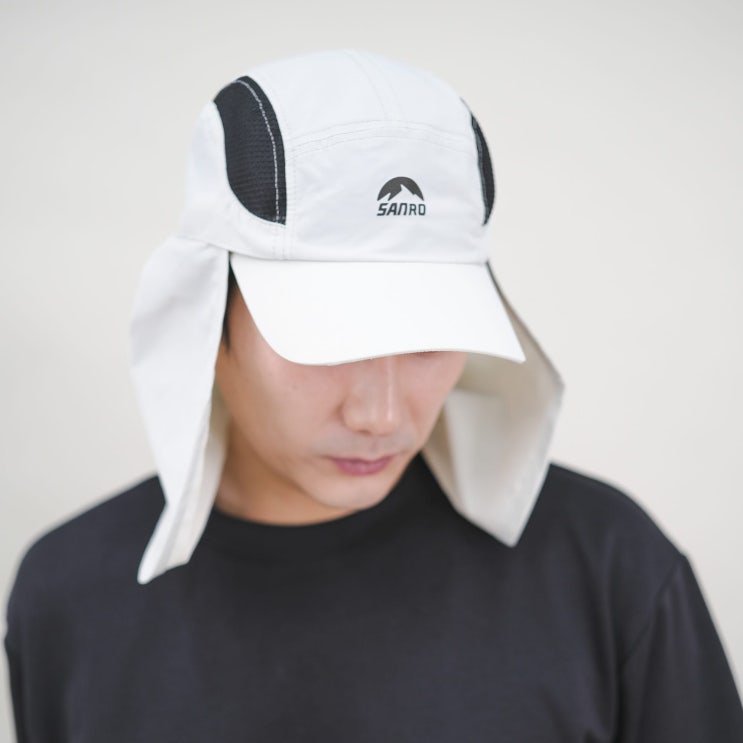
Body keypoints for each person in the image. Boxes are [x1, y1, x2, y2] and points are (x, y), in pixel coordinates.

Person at [4, 49, 742, 742]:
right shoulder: (67, 602)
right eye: (326, 340)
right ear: (206, 316)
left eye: (430, 338)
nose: (381, 414)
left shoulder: (609, 574)